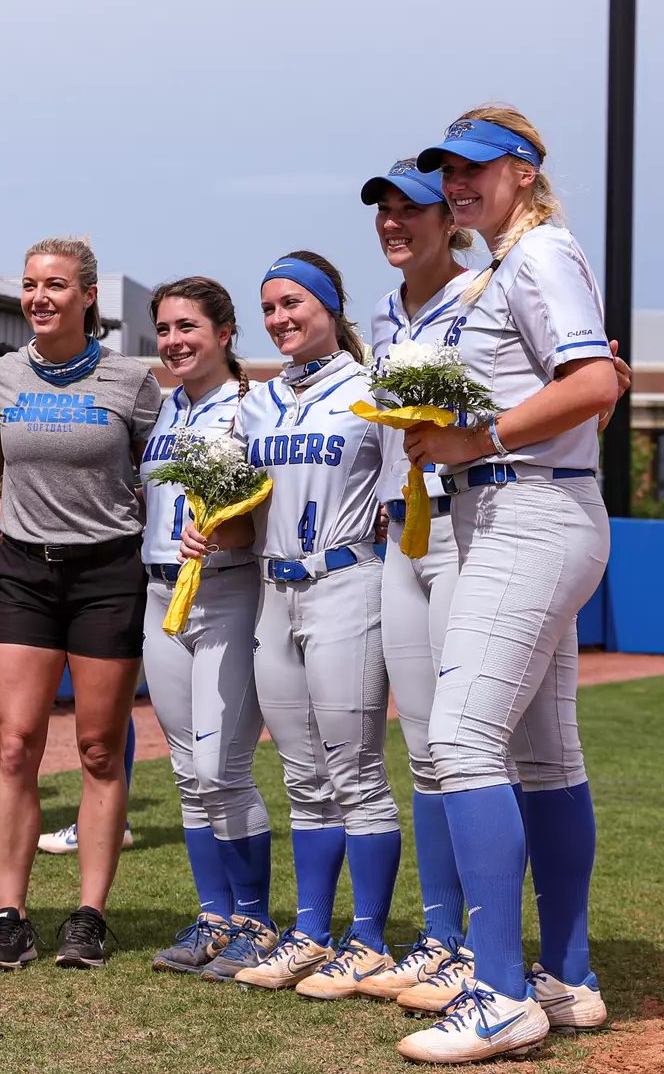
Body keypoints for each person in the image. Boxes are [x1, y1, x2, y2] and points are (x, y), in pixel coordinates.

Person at [395, 107, 620, 1064]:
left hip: (530, 506)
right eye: (450, 171)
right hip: (521, 506)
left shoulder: (538, 255)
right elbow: (589, 379)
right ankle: (566, 978)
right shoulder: (503, 265)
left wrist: (473, 439)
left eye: (479, 169)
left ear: (525, 172)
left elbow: (597, 384)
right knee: (544, 756)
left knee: (458, 739)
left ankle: (496, 991)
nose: (460, 184)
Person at [211, 252, 401, 998]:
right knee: (303, 776)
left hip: (348, 581)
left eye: (295, 303)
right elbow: (242, 511)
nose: (281, 318)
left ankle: (370, 941)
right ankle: (312, 934)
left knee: (356, 772)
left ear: (330, 305)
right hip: (271, 589)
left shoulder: (371, 386)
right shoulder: (254, 403)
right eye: (271, 307)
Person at [0, 236, 161, 970]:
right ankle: (11, 917)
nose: (39, 297)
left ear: (88, 297)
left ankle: (88, 916)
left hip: (107, 573)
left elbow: (164, 470)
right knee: (15, 744)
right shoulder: (3, 375)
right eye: (29, 284)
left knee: (96, 749)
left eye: (55, 284)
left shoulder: (131, 382)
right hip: (22, 571)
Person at [347, 161, 478, 998]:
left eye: (411, 210)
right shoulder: (384, 317)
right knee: (422, 748)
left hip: (469, 529)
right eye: (384, 212)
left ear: (451, 219)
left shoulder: (484, 297)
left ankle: (474, 939)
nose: (394, 223)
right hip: (404, 537)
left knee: (467, 747)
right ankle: (438, 936)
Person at [138, 278, 277, 980]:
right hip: (162, 598)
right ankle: (215, 917)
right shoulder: (167, 407)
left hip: (227, 595)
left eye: (188, 326)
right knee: (190, 774)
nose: (174, 341)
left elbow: (265, 513)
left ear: (225, 332)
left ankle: (255, 918)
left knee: (223, 767)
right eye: (164, 329)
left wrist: (230, 533)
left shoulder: (251, 411)